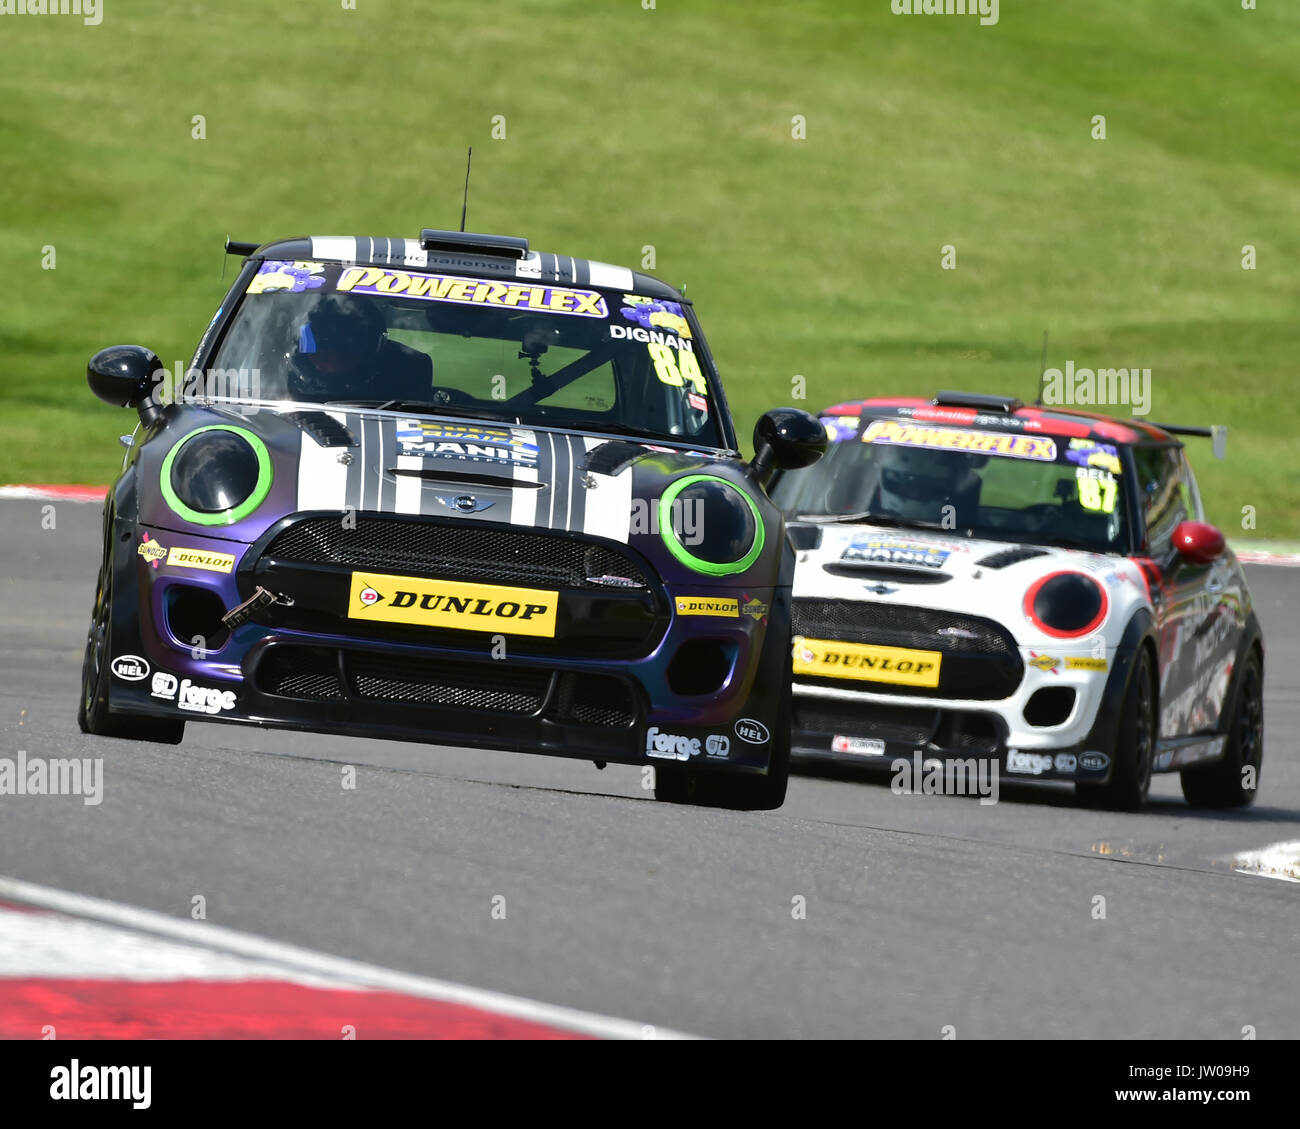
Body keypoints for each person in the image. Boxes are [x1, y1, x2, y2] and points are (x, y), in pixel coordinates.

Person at [286, 295, 431, 401]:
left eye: (344, 354)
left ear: (372, 350)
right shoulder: (278, 378)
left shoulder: (408, 375)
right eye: (323, 353)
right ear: (301, 346)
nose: (332, 365)